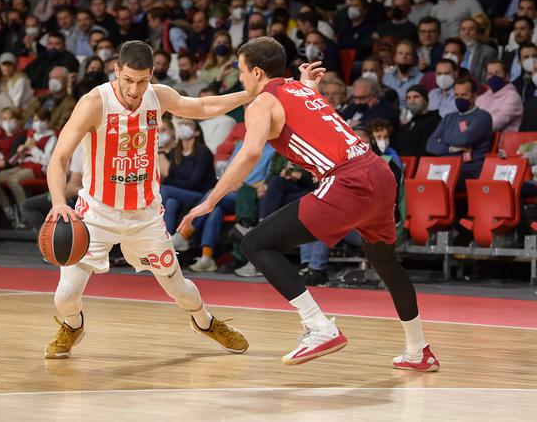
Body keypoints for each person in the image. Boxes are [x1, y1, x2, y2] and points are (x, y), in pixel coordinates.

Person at [178, 37, 439, 371]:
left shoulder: (262, 102)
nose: (239, 78)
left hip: (347, 180)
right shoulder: (297, 89)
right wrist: (306, 85)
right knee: (384, 262)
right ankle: (418, 350)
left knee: (257, 243)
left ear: (257, 72)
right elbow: (301, 112)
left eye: (241, 71)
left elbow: (251, 153)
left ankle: (318, 326)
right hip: (379, 172)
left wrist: (209, 201)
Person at [43, 40, 250, 359]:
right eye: (128, 80)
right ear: (116, 71)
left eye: (142, 80)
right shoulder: (93, 103)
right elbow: (58, 158)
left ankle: (205, 322)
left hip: (145, 216)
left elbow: (202, 108)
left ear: (152, 74)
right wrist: (59, 202)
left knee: (181, 290)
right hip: (96, 214)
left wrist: (251, 94)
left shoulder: (159, 96)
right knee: (66, 295)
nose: (135, 89)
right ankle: (73, 325)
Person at [426, 77, 493, 187]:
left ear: (475, 96)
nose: (459, 99)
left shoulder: (483, 117)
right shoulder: (448, 118)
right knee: (418, 182)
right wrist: (450, 148)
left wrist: (443, 139)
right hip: (445, 168)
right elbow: (430, 144)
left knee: (437, 184)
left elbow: (464, 139)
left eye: (464, 95)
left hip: (469, 169)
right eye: (456, 95)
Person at [159, 119, 216, 235]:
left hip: (201, 195)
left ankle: (155, 232)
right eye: (181, 124)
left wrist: (167, 182)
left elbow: (194, 183)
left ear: (197, 132)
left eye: (187, 124)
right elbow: (172, 175)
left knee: (165, 190)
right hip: (183, 194)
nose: (183, 126)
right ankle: (167, 240)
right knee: (170, 202)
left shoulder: (203, 152)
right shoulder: (176, 152)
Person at [476, 60, 523, 132]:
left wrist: (472, 127)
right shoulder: (483, 97)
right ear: (486, 77)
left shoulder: (513, 98)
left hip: (505, 141)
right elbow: (469, 117)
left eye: (497, 73)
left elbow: (495, 124)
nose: (493, 76)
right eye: (490, 74)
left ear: (507, 76)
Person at [395, 85, 441, 157]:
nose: (412, 101)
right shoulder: (407, 124)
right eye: (408, 98)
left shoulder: (434, 121)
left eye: (416, 97)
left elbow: (426, 150)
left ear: (426, 101)